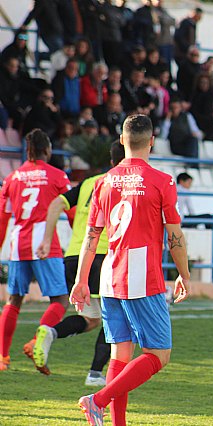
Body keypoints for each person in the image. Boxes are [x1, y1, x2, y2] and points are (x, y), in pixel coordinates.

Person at [72, 114, 190, 425]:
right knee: (158, 355)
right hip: (142, 273)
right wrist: (185, 274)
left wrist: (81, 280)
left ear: (123, 140)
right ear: (151, 141)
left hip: (110, 272)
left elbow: (91, 236)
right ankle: (96, 400)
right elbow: (174, 235)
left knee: (120, 355)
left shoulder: (103, 181)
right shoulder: (162, 181)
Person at [31, 142, 126, 385]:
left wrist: (46, 239)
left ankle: (50, 332)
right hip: (102, 255)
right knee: (113, 318)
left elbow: (56, 204)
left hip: (74, 256)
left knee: (91, 319)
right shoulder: (120, 183)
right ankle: (95, 374)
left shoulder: (88, 183)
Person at [0, 130, 71, 373]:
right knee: (60, 299)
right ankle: (36, 342)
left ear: (27, 149)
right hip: (45, 244)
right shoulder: (57, 176)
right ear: (47, 150)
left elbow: (2, 217)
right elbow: (71, 212)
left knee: (14, 300)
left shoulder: (12, 178)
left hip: (18, 244)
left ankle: (3, 357)